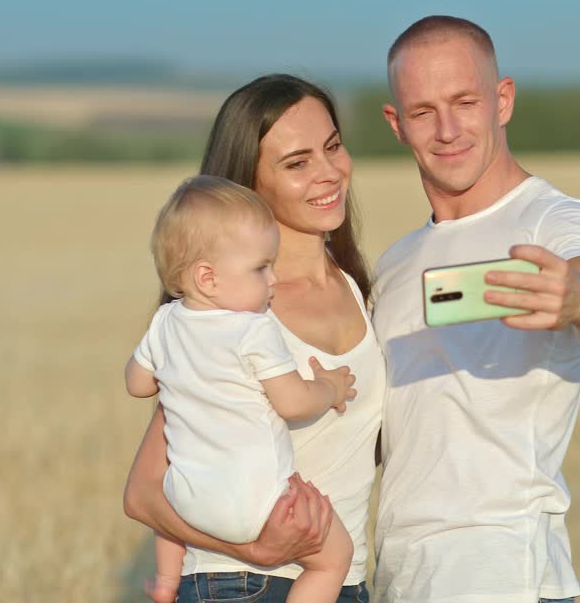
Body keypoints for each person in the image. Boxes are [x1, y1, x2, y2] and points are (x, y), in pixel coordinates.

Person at [371, 15, 580, 603]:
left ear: (503, 100)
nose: (447, 130)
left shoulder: (552, 220)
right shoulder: (393, 267)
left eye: (465, 101)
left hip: (503, 569)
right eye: (423, 111)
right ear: (396, 124)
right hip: (402, 575)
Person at [123, 75, 384, 603]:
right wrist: (255, 552)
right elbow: (143, 493)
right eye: (297, 162)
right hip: (242, 584)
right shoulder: (231, 313)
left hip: (345, 583)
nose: (329, 171)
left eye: (332, 146)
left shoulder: (357, 289)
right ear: (249, 184)